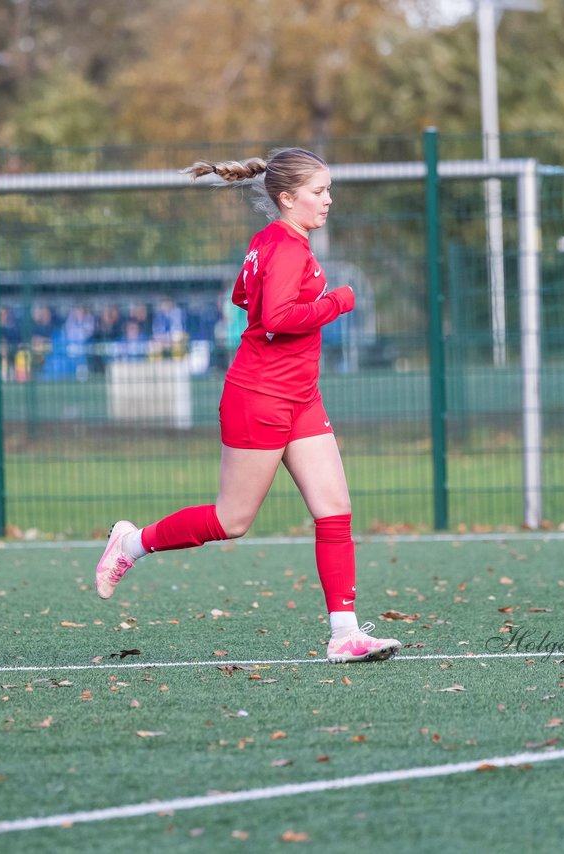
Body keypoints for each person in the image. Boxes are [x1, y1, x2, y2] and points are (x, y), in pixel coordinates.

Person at [95, 148, 401, 664]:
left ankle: (344, 633)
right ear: (287, 198)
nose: (328, 200)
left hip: (300, 394)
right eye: (318, 191)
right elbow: (277, 317)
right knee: (232, 520)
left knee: (335, 510)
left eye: (329, 189)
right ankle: (131, 543)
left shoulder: (272, 242)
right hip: (259, 395)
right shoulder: (284, 247)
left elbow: (244, 299)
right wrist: (339, 301)